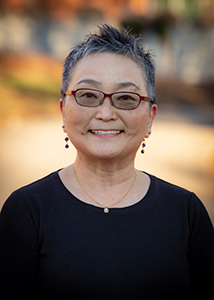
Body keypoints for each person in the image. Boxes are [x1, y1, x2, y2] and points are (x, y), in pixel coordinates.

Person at [0, 24, 214, 300]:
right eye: (88, 95)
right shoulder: (26, 211)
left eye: (126, 98)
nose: (105, 112)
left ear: (150, 117)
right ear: (64, 110)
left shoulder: (187, 212)